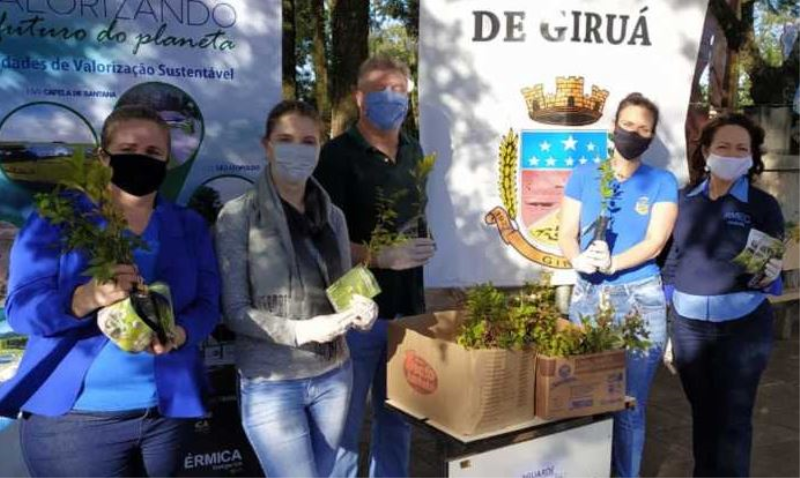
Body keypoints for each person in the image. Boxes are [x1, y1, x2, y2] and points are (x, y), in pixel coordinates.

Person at [0, 105, 221, 477]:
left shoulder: (188, 225)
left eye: (153, 153)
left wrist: (181, 332)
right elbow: (21, 309)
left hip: (165, 416)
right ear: (103, 158)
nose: (141, 160)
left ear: (167, 162)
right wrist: (86, 298)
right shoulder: (58, 219)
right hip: (77, 422)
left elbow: (208, 304)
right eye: (128, 149)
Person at [215, 100, 379, 478]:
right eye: (285, 139)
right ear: (266, 145)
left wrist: (361, 309)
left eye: (308, 141)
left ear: (320, 148)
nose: (297, 149)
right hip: (273, 384)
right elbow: (235, 310)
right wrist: (300, 331)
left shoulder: (333, 215)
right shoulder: (238, 216)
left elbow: (341, 287)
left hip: (334, 374)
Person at [315, 55, 436, 478]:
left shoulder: (414, 151)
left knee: (398, 417)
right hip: (357, 314)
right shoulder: (335, 156)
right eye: (380, 89)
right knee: (343, 425)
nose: (391, 97)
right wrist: (377, 256)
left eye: (399, 90)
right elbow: (322, 241)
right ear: (359, 97)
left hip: (407, 311)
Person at [557, 93, 679, 478]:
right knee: (583, 400)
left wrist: (614, 263)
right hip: (589, 298)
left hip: (640, 299)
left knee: (630, 405)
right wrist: (576, 258)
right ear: (614, 128)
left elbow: (655, 242)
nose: (635, 134)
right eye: (628, 125)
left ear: (652, 136)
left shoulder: (661, 181)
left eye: (644, 129)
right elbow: (566, 232)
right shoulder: (584, 174)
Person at [663, 113, 783, 478]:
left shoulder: (763, 206)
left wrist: (771, 275)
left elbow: (769, 270)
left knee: (733, 419)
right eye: (723, 146)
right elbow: (670, 259)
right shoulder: (683, 200)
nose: (732, 154)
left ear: (752, 156)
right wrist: (668, 314)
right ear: (705, 151)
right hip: (689, 329)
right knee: (703, 414)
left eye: (741, 148)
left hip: (743, 330)